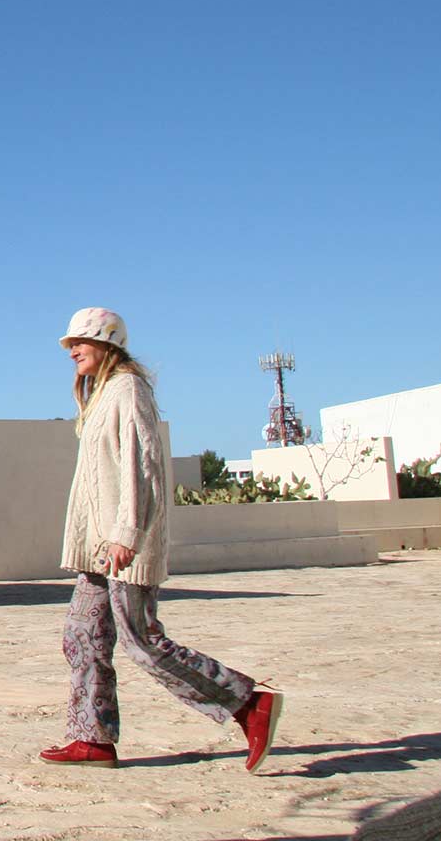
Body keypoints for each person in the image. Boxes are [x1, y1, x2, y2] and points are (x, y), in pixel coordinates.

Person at [41, 308, 283, 772]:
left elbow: (141, 464)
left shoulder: (128, 390)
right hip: (98, 546)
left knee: (143, 641)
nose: (72, 350)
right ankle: (92, 738)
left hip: (121, 544)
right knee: (82, 634)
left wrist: (126, 532)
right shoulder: (102, 394)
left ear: (106, 342)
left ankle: (248, 703)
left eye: (80, 342)